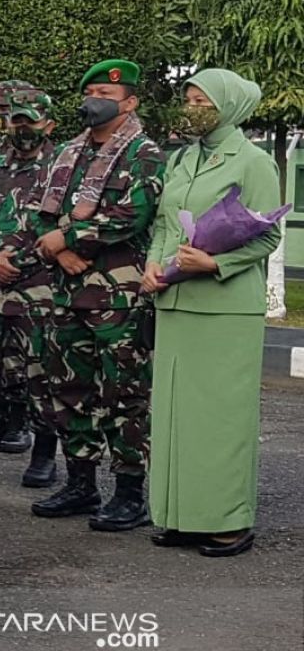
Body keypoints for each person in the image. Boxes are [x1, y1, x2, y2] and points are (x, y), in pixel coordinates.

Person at [24, 59, 166, 532]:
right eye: (90, 92)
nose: (95, 100)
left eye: (106, 93)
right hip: (67, 293)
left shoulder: (143, 154)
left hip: (119, 299)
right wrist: (60, 253)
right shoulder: (67, 154)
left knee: (125, 394)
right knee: (70, 390)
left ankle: (129, 492)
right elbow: (41, 215)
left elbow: (133, 215)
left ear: (130, 102)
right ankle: (81, 483)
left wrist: (68, 239)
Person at [142, 69, 278, 558]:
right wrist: (154, 264)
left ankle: (227, 522)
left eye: (202, 100)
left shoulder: (254, 161)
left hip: (224, 308)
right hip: (175, 301)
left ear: (229, 106)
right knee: (177, 416)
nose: (192, 106)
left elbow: (267, 234)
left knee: (219, 420)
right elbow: (163, 222)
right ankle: (181, 515)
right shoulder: (182, 158)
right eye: (189, 98)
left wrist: (216, 262)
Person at [0, 87, 58, 480]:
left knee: (41, 370)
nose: (20, 128)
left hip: (39, 283)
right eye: (15, 120)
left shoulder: (63, 166)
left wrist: (15, 261)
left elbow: (64, 227)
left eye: (29, 121)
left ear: (48, 124)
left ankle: (44, 456)